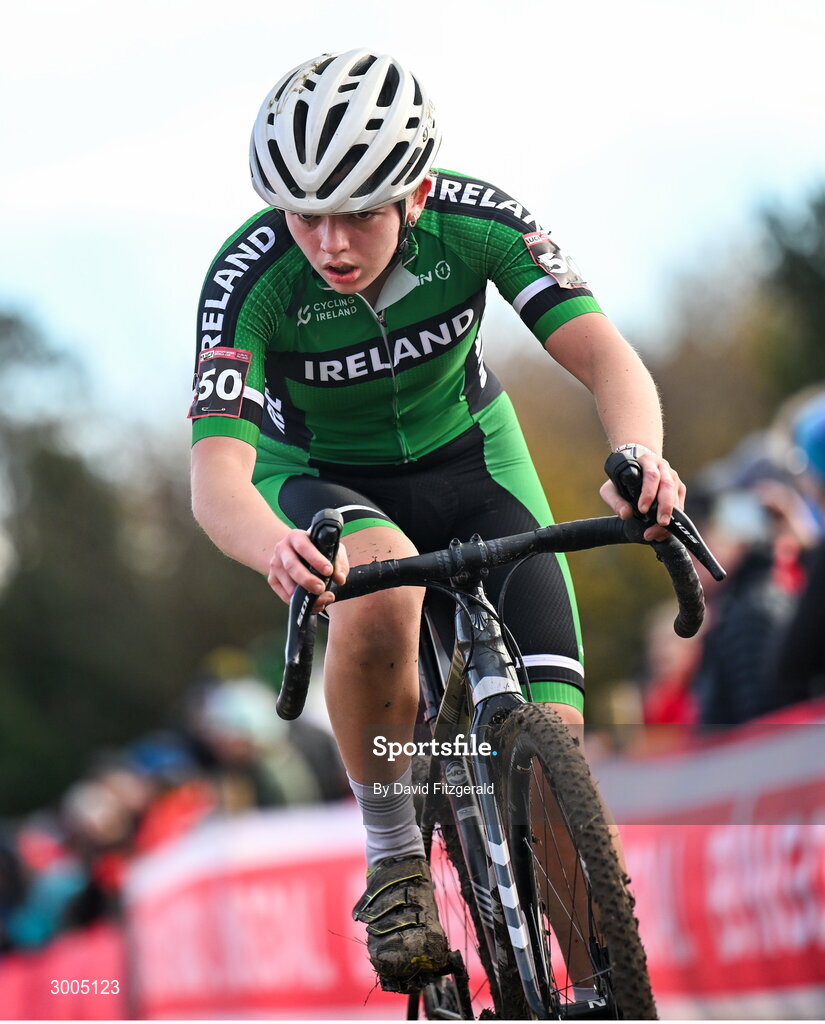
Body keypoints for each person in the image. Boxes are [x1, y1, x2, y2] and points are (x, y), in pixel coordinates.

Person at [189, 49, 685, 993]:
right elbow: (217, 473)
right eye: (305, 214)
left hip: (473, 464)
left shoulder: (477, 221)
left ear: (414, 192)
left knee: (557, 783)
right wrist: (274, 549)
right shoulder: (251, 274)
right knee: (379, 578)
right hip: (326, 482)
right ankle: (394, 862)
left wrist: (639, 460)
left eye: (359, 212)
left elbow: (607, 358)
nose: (329, 243)